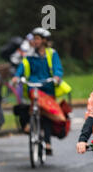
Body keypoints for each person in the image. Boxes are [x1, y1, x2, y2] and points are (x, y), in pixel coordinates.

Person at [12, 27, 65, 155]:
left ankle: (47, 142)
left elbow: (58, 68)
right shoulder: (29, 54)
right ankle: (31, 122)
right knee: (35, 101)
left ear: (44, 40)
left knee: (46, 116)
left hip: (48, 86)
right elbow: (22, 66)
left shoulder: (52, 53)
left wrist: (57, 77)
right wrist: (17, 76)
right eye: (34, 39)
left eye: (37, 39)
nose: (34, 41)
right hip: (34, 85)